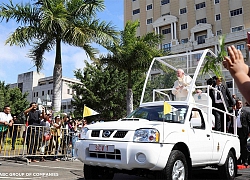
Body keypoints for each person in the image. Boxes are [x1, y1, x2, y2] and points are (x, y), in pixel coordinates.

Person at [234, 99, 250, 166]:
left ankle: (245, 160)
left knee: (244, 146)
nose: (239, 104)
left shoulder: (246, 112)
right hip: (236, 131)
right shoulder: (233, 112)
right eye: (238, 103)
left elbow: (249, 122)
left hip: (243, 131)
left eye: (240, 103)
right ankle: (238, 160)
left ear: (242, 104)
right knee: (237, 146)